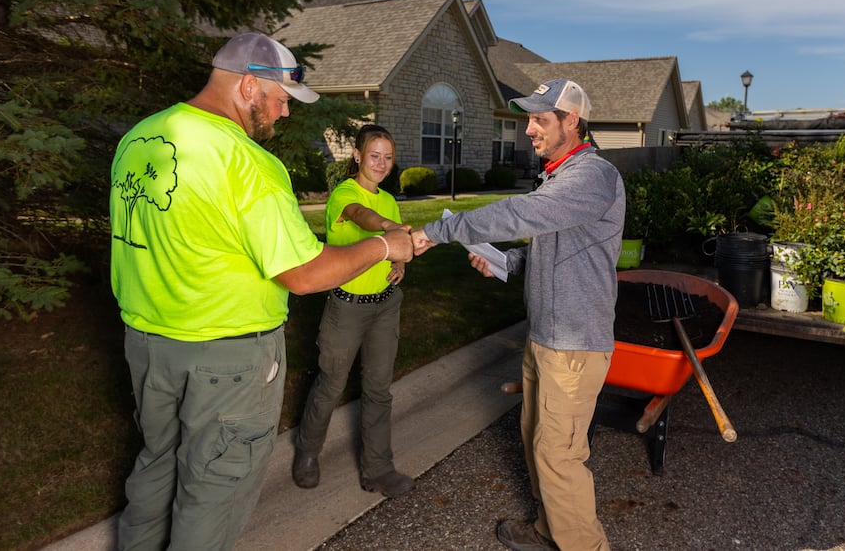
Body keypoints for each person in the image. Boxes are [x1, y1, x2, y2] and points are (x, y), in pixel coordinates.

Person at [108, 32, 413, 551]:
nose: (285, 113)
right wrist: (386, 247)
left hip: (148, 346)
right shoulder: (245, 161)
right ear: (249, 86)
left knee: (155, 467)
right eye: (280, 99)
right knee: (212, 494)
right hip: (226, 360)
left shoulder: (139, 138)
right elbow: (306, 273)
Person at [412, 79, 625, 551]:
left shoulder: (592, 176)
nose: (529, 129)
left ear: (573, 121)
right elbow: (552, 254)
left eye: (540, 119)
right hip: (545, 337)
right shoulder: (559, 174)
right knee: (535, 438)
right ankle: (550, 529)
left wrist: (439, 230)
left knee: (560, 455)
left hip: (574, 344)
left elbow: (519, 214)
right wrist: (505, 263)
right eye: (528, 119)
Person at [291, 124, 415, 497]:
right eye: (374, 155)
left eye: (388, 157)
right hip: (346, 307)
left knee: (379, 389)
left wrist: (400, 263)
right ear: (358, 156)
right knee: (330, 385)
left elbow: (393, 248)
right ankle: (307, 453)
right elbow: (364, 217)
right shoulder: (344, 194)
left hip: (384, 305)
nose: (381, 163)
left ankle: (377, 469)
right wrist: (391, 228)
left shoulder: (390, 199)